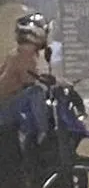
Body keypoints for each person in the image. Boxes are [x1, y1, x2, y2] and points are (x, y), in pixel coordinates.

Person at [0, 13, 53, 143]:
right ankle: (41, 133)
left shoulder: (16, 53)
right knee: (36, 92)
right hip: (6, 107)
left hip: (6, 104)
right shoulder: (26, 54)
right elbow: (29, 81)